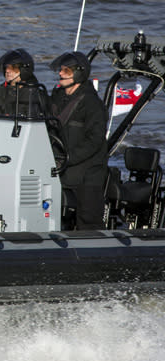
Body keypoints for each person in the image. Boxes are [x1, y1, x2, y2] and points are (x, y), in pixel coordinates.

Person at [48, 51, 108, 230]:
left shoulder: (92, 104)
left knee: (88, 220)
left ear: (79, 73)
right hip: (62, 168)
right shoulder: (57, 97)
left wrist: (68, 158)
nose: (60, 73)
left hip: (87, 172)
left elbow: (95, 140)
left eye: (66, 71)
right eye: (60, 70)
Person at [0, 48, 47, 116]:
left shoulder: (35, 95)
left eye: (13, 68)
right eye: (6, 67)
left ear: (24, 70)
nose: (7, 71)